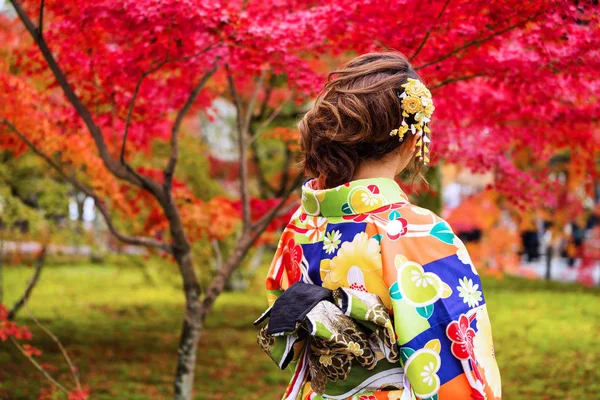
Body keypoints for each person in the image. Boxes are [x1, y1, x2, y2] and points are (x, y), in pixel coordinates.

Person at [256, 52, 501, 400]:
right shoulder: (420, 234)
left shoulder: (301, 224)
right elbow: (457, 368)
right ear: (413, 141)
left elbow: (286, 333)